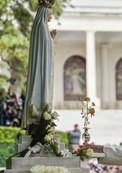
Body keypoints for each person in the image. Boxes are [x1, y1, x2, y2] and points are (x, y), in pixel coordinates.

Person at [21, 0, 56, 129]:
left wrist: (51, 39)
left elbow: (46, 47)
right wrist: (51, 41)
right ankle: (38, 116)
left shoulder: (42, 27)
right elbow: (45, 49)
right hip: (41, 68)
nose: (51, 16)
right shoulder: (41, 27)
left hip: (43, 66)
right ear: (44, 12)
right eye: (49, 13)